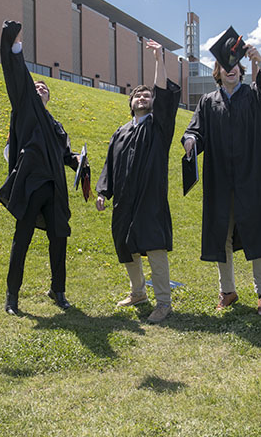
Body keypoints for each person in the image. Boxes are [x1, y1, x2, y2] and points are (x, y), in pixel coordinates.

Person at [182, 40, 261, 316]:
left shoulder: (255, 97)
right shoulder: (208, 101)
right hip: (219, 180)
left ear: (241, 71)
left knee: (258, 234)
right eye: (224, 66)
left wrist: (260, 61)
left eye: (235, 66)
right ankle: (227, 290)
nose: (230, 70)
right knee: (221, 236)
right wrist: (191, 139)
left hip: (252, 178)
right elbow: (195, 130)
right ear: (217, 72)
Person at [0, 20, 83, 315]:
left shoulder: (56, 126)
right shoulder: (25, 109)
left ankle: (57, 290)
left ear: (49, 97)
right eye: (36, 85)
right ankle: (12, 296)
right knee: (22, 239)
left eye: (45, 86)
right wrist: (14, 42)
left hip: (55, 188)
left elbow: (65, 155)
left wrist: (77, 162)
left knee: (59, 238)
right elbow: (16, 74)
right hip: (32, 183)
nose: (40, 87)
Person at [96, 40, 180, 324]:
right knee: (125, 245)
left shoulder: (159, 127)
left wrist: (159, 59)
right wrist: (103, 193)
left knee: (154, 246)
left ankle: (164, 303)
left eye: (147, 96)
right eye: (137, 96)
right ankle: (138, 292)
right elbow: (110, 163)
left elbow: (163, 92)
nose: (142, 98)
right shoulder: (120, 132)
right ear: (130, 104)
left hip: (150, 197)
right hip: (124, 198)